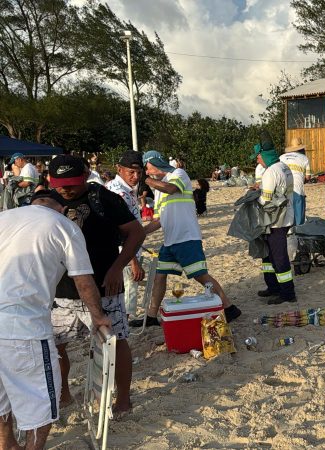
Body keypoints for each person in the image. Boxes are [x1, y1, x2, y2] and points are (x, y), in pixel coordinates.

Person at [0, 191, 111, 450]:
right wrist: (98, 316)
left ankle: (7, 445)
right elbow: (83, 281)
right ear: (61, 208)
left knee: (2, 397)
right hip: (24, 327)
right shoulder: (65, 226)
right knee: (39, 400)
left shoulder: (4, 217)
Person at [46, 155, 144, 415]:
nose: (66, 189)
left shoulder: (105, 198)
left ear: (86, 174)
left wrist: (117, 267)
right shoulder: (46, 200)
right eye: (60, 183)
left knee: (117, 340)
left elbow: (136, 232)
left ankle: (124, 399)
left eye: (72, 183)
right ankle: (63, 393)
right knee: (54, 345)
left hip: (104, 286)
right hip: (61, 290)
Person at [130, 150, 241, 327]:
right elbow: (158, 220)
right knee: (160, 276)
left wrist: (147, 181)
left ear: (156, 164)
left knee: (200, 275)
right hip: (170, 241)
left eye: (148, 168)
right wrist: (141, 233)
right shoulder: (158, 189)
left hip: (187, 238)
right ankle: (151, 316)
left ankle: (229, 308)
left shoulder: (178, 174)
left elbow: (172, 189)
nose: (147, 171)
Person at [105, 151, 147, 317]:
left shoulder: (122, 189)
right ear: (119, 169)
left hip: (125, 253)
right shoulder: (119, 193)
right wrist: (133, 261)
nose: (135, 176)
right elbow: (120, 231)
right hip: (124, 256)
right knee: (125, 298)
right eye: (131, 172)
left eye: (139, 173)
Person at [254, 140, 297, 302]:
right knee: (268, 255)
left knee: (278, 257)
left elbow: (265, 200)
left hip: (275, 221)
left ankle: (287, 293)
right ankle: (272, 286)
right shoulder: (284, 167)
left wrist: (253, 197)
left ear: (264, 155)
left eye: (258, 157)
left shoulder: (271, 172)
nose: (257, 160)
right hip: (284, 217)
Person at [280, 137, 312, 226]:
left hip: (283, 191)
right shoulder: (304, 158)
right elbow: (308, 177)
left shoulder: (281, 157)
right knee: (299, 218)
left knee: (285, 217)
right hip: (297, 190)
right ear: (301, 147)